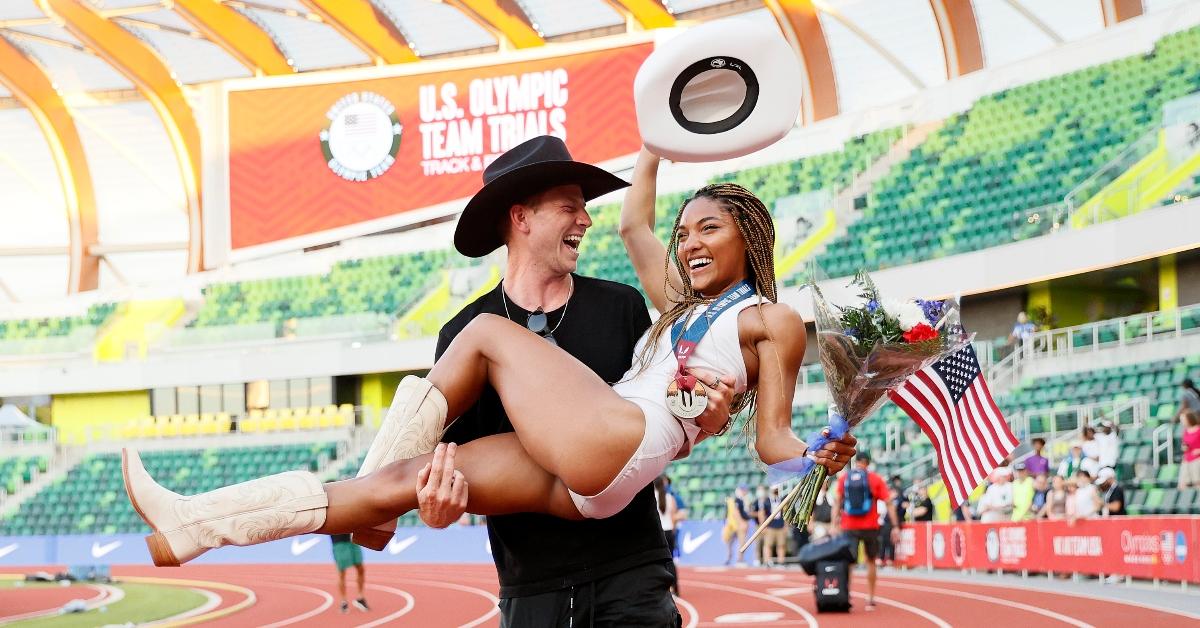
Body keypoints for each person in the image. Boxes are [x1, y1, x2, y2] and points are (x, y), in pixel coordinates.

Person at [123, 136, 861, 624]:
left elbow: (767, 440)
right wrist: (655, 145)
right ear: (521, 218)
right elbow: (642, 224)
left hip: (627, 534)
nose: (690, 239)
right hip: (551, 546)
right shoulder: (676, 311)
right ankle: (197, 525)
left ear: (748, 238)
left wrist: (805, 445)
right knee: (401, 479)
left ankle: (373, 504)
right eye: (570, 207)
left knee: (482, 343)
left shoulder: (752, 316)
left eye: (711, 229)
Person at [831, 452, 899, 612]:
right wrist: (895, 526)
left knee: (849, 563)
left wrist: (834, 524)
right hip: (870, 527)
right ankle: (871, 597)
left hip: (849, 526)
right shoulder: (875, 479)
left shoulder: (845, 478)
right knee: (870, 561)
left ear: (856, 462)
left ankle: (846, 595)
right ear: (868, 463)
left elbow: (837, 503)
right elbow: (889, 503)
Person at [653, 475, 680, 596]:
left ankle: (662, 589)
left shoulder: (652, 497)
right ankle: (675, 588)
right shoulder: (670, 498)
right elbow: (674, 516)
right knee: (671, 561)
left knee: (658, 562)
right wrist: (673, 530)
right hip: (669, 531)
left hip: (658, 532)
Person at [330, 533, 369, 613]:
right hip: (339, 542)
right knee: (342, 572)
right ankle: (343, 602)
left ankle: (360, 598)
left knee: (361, 569)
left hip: (353, 540)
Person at [755, 485, 788, 567]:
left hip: (780, 525)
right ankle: (767, 561)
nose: (776, 491)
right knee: (768, 545)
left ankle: (781, 561)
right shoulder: (766, 501)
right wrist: (763, 526)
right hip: (770, 526)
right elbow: (762, 513)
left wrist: (786, 525)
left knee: (781, 545)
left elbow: (785, 513)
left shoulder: (782, 500)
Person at [722, 485, 752, 566]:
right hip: (736, 524)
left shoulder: (744, 500)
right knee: (739, 543)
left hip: (735, 524)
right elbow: (736, 513)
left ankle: (733, 558)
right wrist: (741, 523)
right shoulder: (737, 500)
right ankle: (738, 559)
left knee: (734, 543)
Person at [1180, 410, 1200, 489]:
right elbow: (1184, 444)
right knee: (1182, 484)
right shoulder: (1185, 431)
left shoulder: (1199, 430)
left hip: (1197, 459)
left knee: (1197, 482)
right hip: (1187, 458)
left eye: (1183, 420)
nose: (1182, 422)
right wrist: (1184, 448)